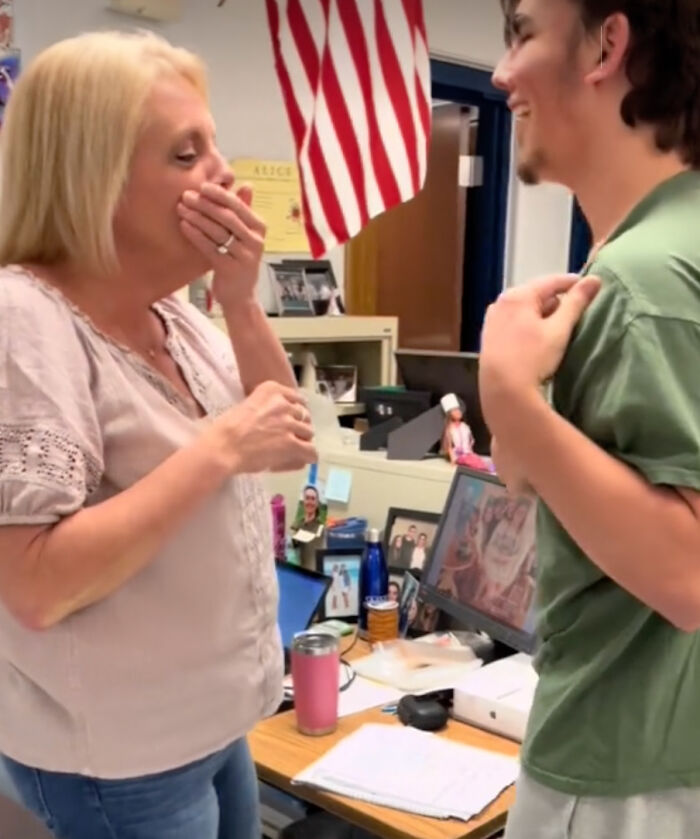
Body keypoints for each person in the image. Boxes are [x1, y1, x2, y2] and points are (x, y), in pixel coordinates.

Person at [0, 31, 317, 839]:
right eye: (186, 154)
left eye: (214, 145)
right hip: (122, 755)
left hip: (212, 719)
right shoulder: (25, 320)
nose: (225, 177)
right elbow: (34, 583)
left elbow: (287, 438)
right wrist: (215, 450)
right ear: (94, 179)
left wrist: (242, 300)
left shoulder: (176, 313)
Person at [480, 2, 700, 837]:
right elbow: (528, 473)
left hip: (623, 778)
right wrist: (522, 415)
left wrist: (510, 398)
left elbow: (687, 576)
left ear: (608, 44)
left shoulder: (646, 283)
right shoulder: (662, 248)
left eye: (523, 34)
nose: (501, 74)